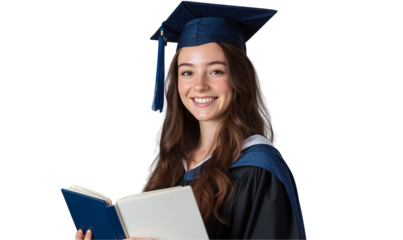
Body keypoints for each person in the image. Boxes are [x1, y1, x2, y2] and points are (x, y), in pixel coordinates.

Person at [143, 1, 307, 240]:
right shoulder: (174, 162)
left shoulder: (259, 170)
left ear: (239, 79)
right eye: (187, 72)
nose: (199, 85)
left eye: (215, 71)